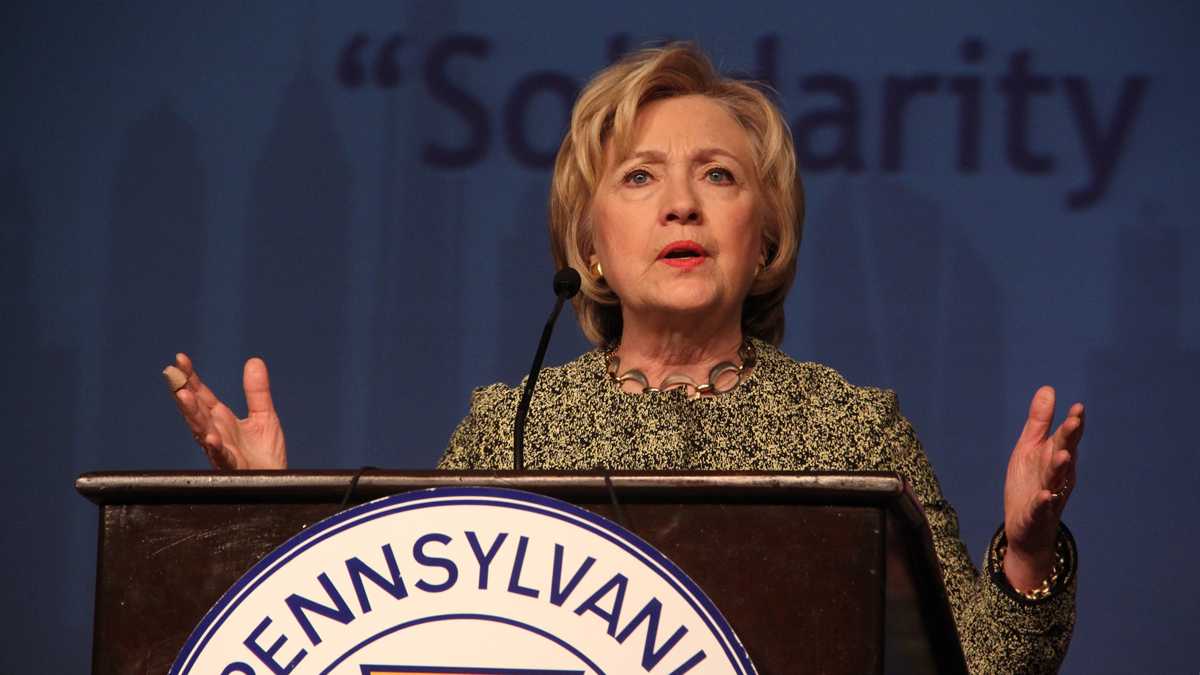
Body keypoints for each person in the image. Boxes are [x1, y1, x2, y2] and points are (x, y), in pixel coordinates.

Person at [166, 43, 1083, 672]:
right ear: (592, 248)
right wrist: (271, 523)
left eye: (718, 176)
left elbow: (981, 664)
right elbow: (407, 635)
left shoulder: (852, 427)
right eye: (640, 176)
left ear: (763, 237)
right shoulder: (513, 425)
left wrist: (1027, 552)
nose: (681, 205)